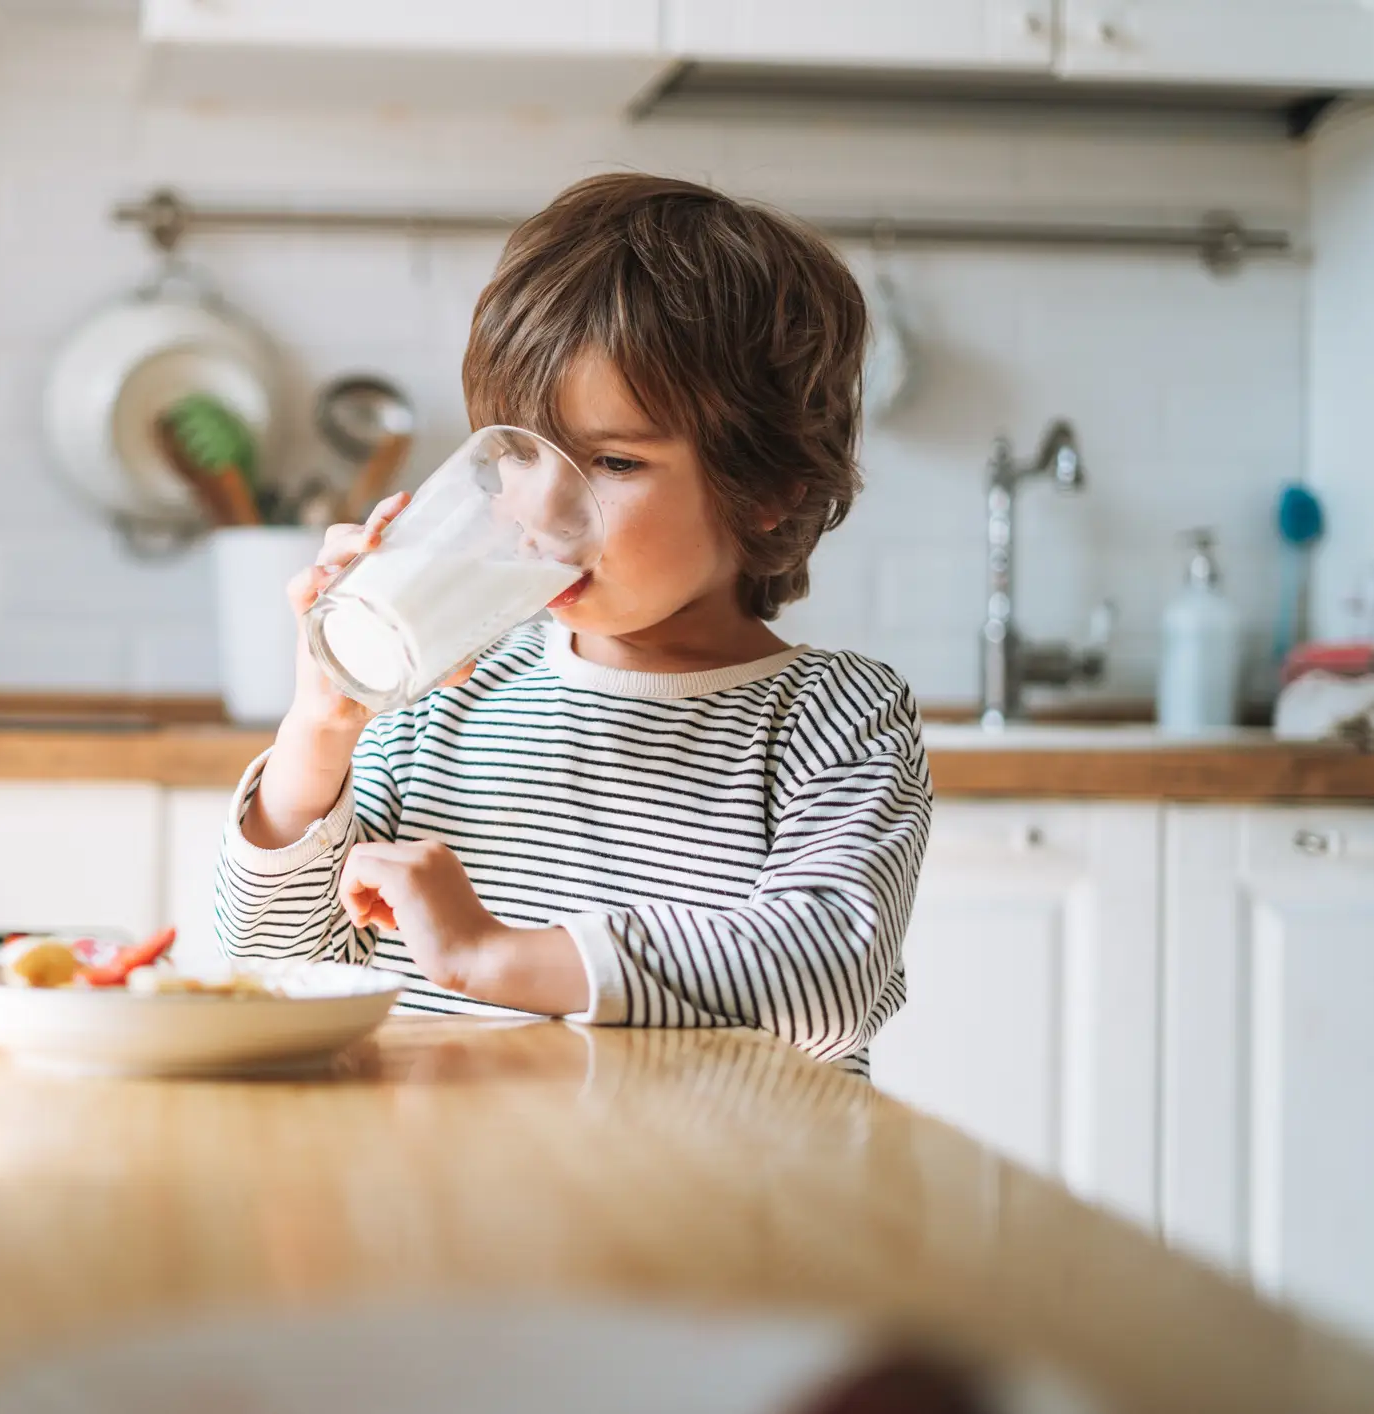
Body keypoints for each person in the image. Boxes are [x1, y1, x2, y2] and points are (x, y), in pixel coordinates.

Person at [216, 173, 931, 1076]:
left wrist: (493, 956)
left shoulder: (832, 718)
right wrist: (315, 737)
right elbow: (277, 968)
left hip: (723, 1207)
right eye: (517, 453)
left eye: (612, 460)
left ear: (767, 490)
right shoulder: (444, 690)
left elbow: (825, 977)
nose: (539, 512)